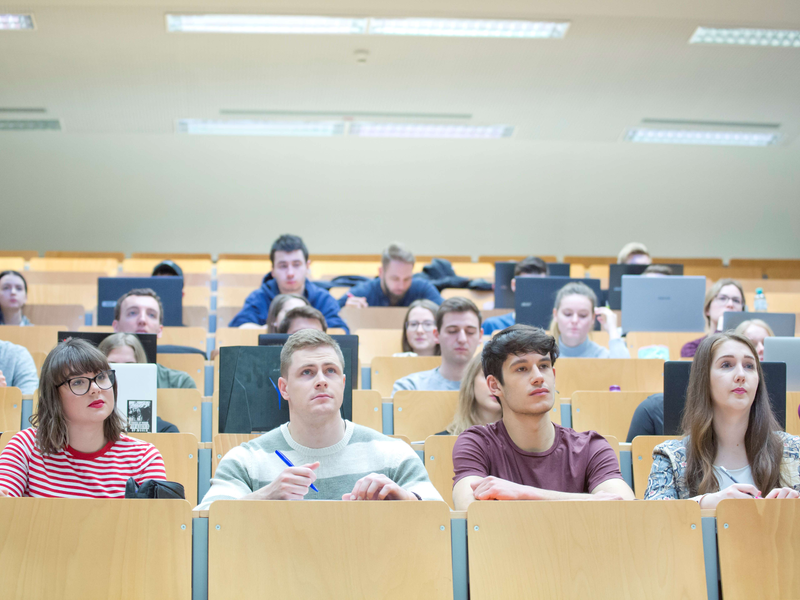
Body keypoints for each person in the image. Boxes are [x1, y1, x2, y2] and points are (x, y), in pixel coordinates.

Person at [196, 330, 441, 508]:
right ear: (284, 388)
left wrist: (405, 501)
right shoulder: (246, 460)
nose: (322, 380)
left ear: (343, 383)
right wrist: (265, 496)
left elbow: (440, 518)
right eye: (307, 372)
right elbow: (209, 522)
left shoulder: (392, 454)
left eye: (330, 371)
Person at [452, 325, 634, 509]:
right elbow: (470, 508)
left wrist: (524, 493)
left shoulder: (591, 448)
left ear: (553, 375)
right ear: (495, 385)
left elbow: (626, 508)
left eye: (544, 366)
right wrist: (588, 500)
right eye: (522, 369)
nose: (538, 377)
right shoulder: (476, 443)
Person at [645, 332, 800, 505]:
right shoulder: (671, 456)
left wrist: (793, 511)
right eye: (726, 365)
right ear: (704, 379)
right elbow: (652, 515)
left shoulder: (795, 450)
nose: (741, 375)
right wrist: (708, 502)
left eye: (749, 366)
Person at [0, 338, 166, 498]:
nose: (95, 389)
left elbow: (155, 517)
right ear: (54, 396)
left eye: (101, 377)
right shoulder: (25, 446)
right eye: (78, 382)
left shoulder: (144, 458)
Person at [228, 234, 348, 332]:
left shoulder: (323, 298)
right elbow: (238, 330)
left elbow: (340, 332)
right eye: (283, 266)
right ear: (273, 270)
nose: (290, 273)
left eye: (296, 265)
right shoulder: (258, 298)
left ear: (307, 266)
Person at [392, 297, 483, 395]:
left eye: (470, 332)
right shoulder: (409, 388)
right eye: (452, 331)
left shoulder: (492, 389)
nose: (462, 339)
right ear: (436, 335)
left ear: (480, 336)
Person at [112, 288, 197, 389]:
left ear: (159, 330)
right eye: (133, 313)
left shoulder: (180, 383)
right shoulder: (96, 379)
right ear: (116, 326)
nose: (142, 320)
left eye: (151, 314)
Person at [97, 332, 180, 433]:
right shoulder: (86, 428)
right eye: (112, 365)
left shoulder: (166, 431)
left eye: (129, 365)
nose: (120, 373)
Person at [338, 243, 442, 308]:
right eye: (395, 278)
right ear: (381, 272)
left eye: (407, 279)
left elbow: (444, 312)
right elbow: (334, 311)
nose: (401, 286)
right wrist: (346, 310)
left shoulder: (422, 289)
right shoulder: (363, 292)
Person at [550, 282, 629, 358]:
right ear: (555, 315)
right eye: (568, 314)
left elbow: (624, 366)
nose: (575, 320)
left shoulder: (601, 356)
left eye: (583, 315)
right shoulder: (544, 355)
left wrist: (613, 330)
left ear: (593, 318)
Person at [482, 257, 548, 335]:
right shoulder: (493, 325)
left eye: (539, 285)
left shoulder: (556, 326)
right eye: (526, 285)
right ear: (514, 285)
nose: (533, 291)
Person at [680, 278, 745, 358]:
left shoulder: (747, 345)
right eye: (722, 298)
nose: (730, 304)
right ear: (708, 308)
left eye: (736, 300)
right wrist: (720, 330)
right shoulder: (692, 348)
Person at [440, 354, 501, 436]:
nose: (496, 385)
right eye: (487, 376)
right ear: (471, 381)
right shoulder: (441, 440)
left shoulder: (519, 441)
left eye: (502, 378)